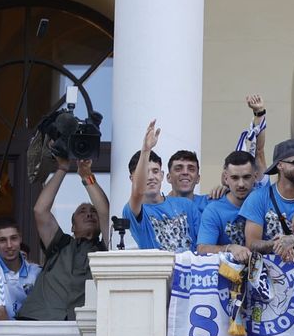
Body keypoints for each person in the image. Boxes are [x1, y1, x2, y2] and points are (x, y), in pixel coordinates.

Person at [17, 157, 109, 321]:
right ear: (72, 226)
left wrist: (86, 176)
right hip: (40, 321)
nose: (89, 214)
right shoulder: (60, 243)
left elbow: (105, 212)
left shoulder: (105, 250)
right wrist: (62, 168)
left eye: (92, 211)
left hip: (83, 328)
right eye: (82, 211)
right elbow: (40, 210)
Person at [127, 119, 202, 252]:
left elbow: (203, 245)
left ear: (162, 175)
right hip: (159, 272)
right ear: (133, 179)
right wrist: (146, 150)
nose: (150, 177)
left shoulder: (186, 205)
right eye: (145, 173)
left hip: (191, 271)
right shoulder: (134, 210)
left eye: (155, 171)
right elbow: (138, 192)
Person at [196, 150, 259, 260]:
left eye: (246, 177)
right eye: (235, 178)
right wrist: (229, 248)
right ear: (225, 178)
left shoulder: (265, 201)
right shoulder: (213, 210)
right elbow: (202, 249)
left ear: (255, 176)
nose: (241, 184)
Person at [0, 217, 40, 317]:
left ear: (20, 238)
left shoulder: (36, 272)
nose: (9, 245)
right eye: (2, 240)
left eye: (13, 238)